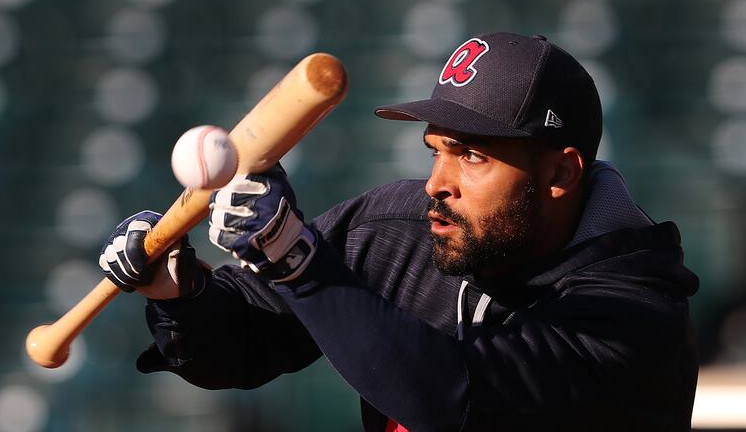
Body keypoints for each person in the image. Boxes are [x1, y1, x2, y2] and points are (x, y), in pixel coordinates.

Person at [99, 32, 699, 431]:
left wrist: (297, 259)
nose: (437, 182)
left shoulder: (635, 314)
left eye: (472, 156)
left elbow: (454, 399)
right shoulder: (404, 227)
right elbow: (248, 338)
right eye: (435, 150)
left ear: (561, 173)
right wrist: (179, 291)